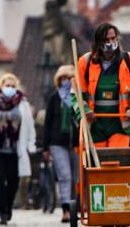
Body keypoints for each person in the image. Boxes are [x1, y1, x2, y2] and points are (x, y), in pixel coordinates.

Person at [0, 73, 38, 225]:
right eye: (6, 85)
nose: (9, 88)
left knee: (13, 182)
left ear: (16, 87)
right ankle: (3, 212)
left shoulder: (22, 103)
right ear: (1, 86)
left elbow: (29, 125)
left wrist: (31, 144)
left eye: (12, 86)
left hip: (15, 151)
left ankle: (8, 206)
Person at [77, 22, 130, 147]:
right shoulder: (85, 63)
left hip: (120, 124)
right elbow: (77, 95)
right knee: (99, 164)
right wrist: (84, 111)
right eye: (106, 39)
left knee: (117, 160)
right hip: (95, 125)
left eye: (113, 38)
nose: (110, 42)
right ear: (98, 42)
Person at [41, 65, 80, 222]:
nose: (66, 81)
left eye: (70, 78)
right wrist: (45, 147)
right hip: (57, 143)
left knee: (77, 178)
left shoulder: (79, 97)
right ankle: (65, 210)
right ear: (59, 80)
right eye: (63, 78)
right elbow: (48, 123)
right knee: (64, 176)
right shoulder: (53, 99)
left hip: (77, 143)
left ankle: (75, 208)